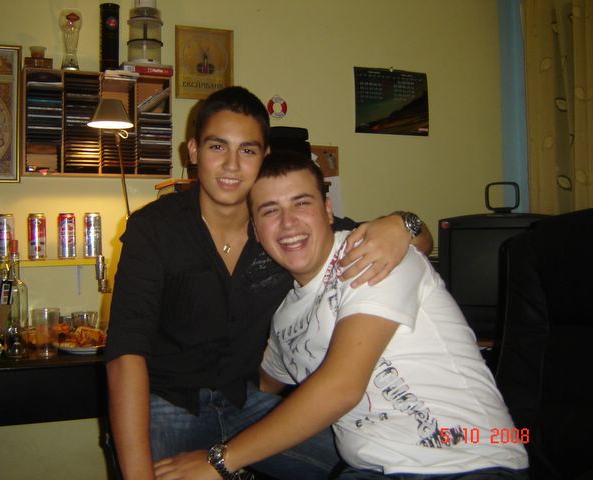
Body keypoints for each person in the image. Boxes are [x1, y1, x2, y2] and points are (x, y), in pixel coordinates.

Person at [104, 86, 433, 480]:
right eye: (217, 147)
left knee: (361, 463)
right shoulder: (153, 229)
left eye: (247, 150)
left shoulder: (283, 231)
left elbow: (417, 241)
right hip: (167, 403)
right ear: (192, 151)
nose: (231, 165)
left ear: (264, 157)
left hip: (247, 404)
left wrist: (402, 224)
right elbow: (126, 355)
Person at [155, 150, 529, 480]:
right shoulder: (285, 319)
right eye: (270, 210)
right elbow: (262, 386)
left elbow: (342, 387)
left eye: (301, 203)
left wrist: (219, 461)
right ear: (255, 228)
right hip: (367, 470)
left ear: (328, 209)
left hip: (468, 463)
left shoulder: (374, 253)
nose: (288, 223)